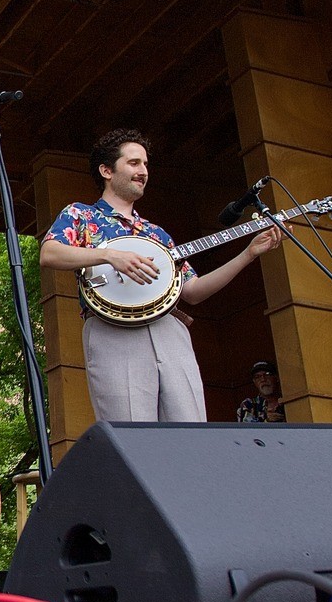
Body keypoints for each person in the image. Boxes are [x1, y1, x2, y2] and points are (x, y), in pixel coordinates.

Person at [38, 128, 278, 422]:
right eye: (134, 163)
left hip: (169, 329)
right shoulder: (81, 215)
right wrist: (110, 255)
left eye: (146, 164)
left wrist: (249, 254)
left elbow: (193, 291)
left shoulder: (157, 234)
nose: (143, 171)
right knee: (133, 435)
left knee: (189, 431)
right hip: (113, 331)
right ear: (106, 170)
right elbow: (50, 253)